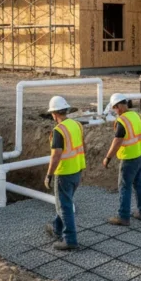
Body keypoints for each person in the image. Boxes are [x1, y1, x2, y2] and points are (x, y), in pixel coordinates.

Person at [43, 95, 85, 251]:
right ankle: (56, 228)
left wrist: (49, 174)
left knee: (64, 206)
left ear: (54, 113)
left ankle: (70, 240)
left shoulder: (58, 131)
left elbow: (56, 155)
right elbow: (82, 146)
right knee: (66, 202)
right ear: (66, 110)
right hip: (77, 170)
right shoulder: (77, 125)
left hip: (64, 173)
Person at [103, 94, 141, 225]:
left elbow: (117, 141)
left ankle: (123, 217)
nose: (114, 112)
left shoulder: (122, 121)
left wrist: (108, 157)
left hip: (129, 158)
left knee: (125, 186)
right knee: (139, 184)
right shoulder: (138, 116)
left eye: (114, 109)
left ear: (118, 107)